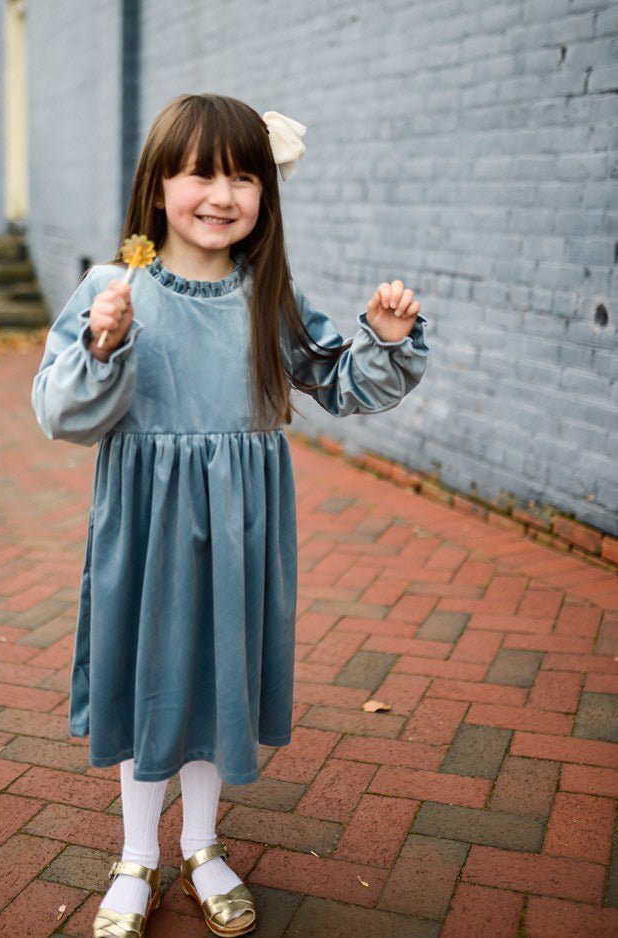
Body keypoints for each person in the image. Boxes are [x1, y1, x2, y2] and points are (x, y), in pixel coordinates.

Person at [31, 93, 430, 938]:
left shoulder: (268, 296)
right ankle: (137, 855)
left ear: (265, 193)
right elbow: (60, 414)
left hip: (241, 529)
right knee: (150, 680)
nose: (222, 195)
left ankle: (201, 846)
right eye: (200, 175)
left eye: (244, 177)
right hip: (147, 529)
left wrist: (386, 340)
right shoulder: (116, 287)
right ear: (158, 185)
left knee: (218, 680)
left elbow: (341, 383)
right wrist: (103, 345)